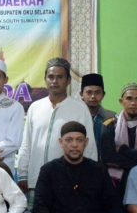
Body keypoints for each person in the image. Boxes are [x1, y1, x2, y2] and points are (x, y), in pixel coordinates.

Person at [17, 57, 97, 201]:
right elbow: (26, 143)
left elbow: (89, 146)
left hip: (69, 181)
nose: (55, 81)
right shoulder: (35, 107)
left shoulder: (79, 108)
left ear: (68, 81)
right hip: (36, 180)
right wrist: (23, 174)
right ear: (45, 79)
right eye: (51, 77)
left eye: (60, 77)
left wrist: (89, 176)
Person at [100, 82, 137, 192]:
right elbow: (108, 157)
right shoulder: (109, 125)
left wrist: (122, 150)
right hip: (115, 182)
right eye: (129, 98)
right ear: (121, 101)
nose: (133, 103)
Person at [80, 73, 115, 160]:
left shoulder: (112, 118)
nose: (93, 96)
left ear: (103, 95)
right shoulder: (75, 117)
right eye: (89, 92)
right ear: (81, 94)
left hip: (105, 164)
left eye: (97, 92)